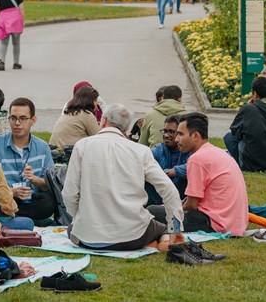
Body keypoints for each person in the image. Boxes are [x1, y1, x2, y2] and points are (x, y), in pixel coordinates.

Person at [62, 103, 183, 251]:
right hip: (133, 236)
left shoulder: (82, 146)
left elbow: (69, 193)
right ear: (126, 129)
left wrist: (81, 217)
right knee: (162, 228)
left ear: (103, 120)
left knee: (72, 228)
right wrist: (175, 228)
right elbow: (168, 188)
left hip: (88, 238)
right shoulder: (141, 151)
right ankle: (162, 240)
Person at [0, 98, 57, 225]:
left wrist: (35, 180)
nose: (17, 123)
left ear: (33, 120)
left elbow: (48, 184)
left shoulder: (42, 147)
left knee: (48, 202)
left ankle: (16, 219)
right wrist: (11, 192)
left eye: (23, 118)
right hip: (5, 199)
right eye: (13, 118)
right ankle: (31, 221)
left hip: (31, 201)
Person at [175, 112, 249, 235]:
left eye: (181, 134)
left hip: (216, 224)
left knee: (154, 212)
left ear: (195, 136)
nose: (176, 139)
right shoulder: (218, 152)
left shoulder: (197, 159)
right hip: (235, 224)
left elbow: (192, 205)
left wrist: (171, 209)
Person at [224, 77, 266, 172]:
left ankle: (240, 160)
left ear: (254, 94)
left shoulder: (248, 109)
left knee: (229, 137)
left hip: (250, 164)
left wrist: (245, 108)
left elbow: (236, 133)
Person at [146, 115, 192, 204]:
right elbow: (144, 159)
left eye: (171, 132)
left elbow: (194, 167)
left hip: (183, 202)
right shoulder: (159, 150)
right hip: (159, 201)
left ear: (181, 133)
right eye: (165, 131)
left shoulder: (189, 150)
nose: (166, 135)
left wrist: (171, 172)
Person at [49, 86, 100, 150]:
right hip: (68, 153)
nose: (97, 103)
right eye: (95, 100)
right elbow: (98, 138)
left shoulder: (68, 112)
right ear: (89, 101)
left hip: (54, 151)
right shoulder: (87, 115)